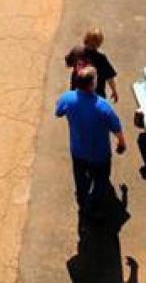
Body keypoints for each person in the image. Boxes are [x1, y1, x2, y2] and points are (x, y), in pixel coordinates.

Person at [54, 66, 125, 214]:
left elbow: (58, 111)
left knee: (81, 179)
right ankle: (95, 207)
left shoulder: (68, 98)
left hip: (78, 151)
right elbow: (117, 128)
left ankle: (82, 199)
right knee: (100, 181)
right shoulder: (103, 106)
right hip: (100, 154)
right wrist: (121, 143)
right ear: (93, 84)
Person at [64, 29, 119, 103]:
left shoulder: (76, 50)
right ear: (99, 43)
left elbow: (68, 64)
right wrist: (114, 90)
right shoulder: (101, 58)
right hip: (96, 96)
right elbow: (109, 77)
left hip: (77, 93)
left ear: (85, 39)